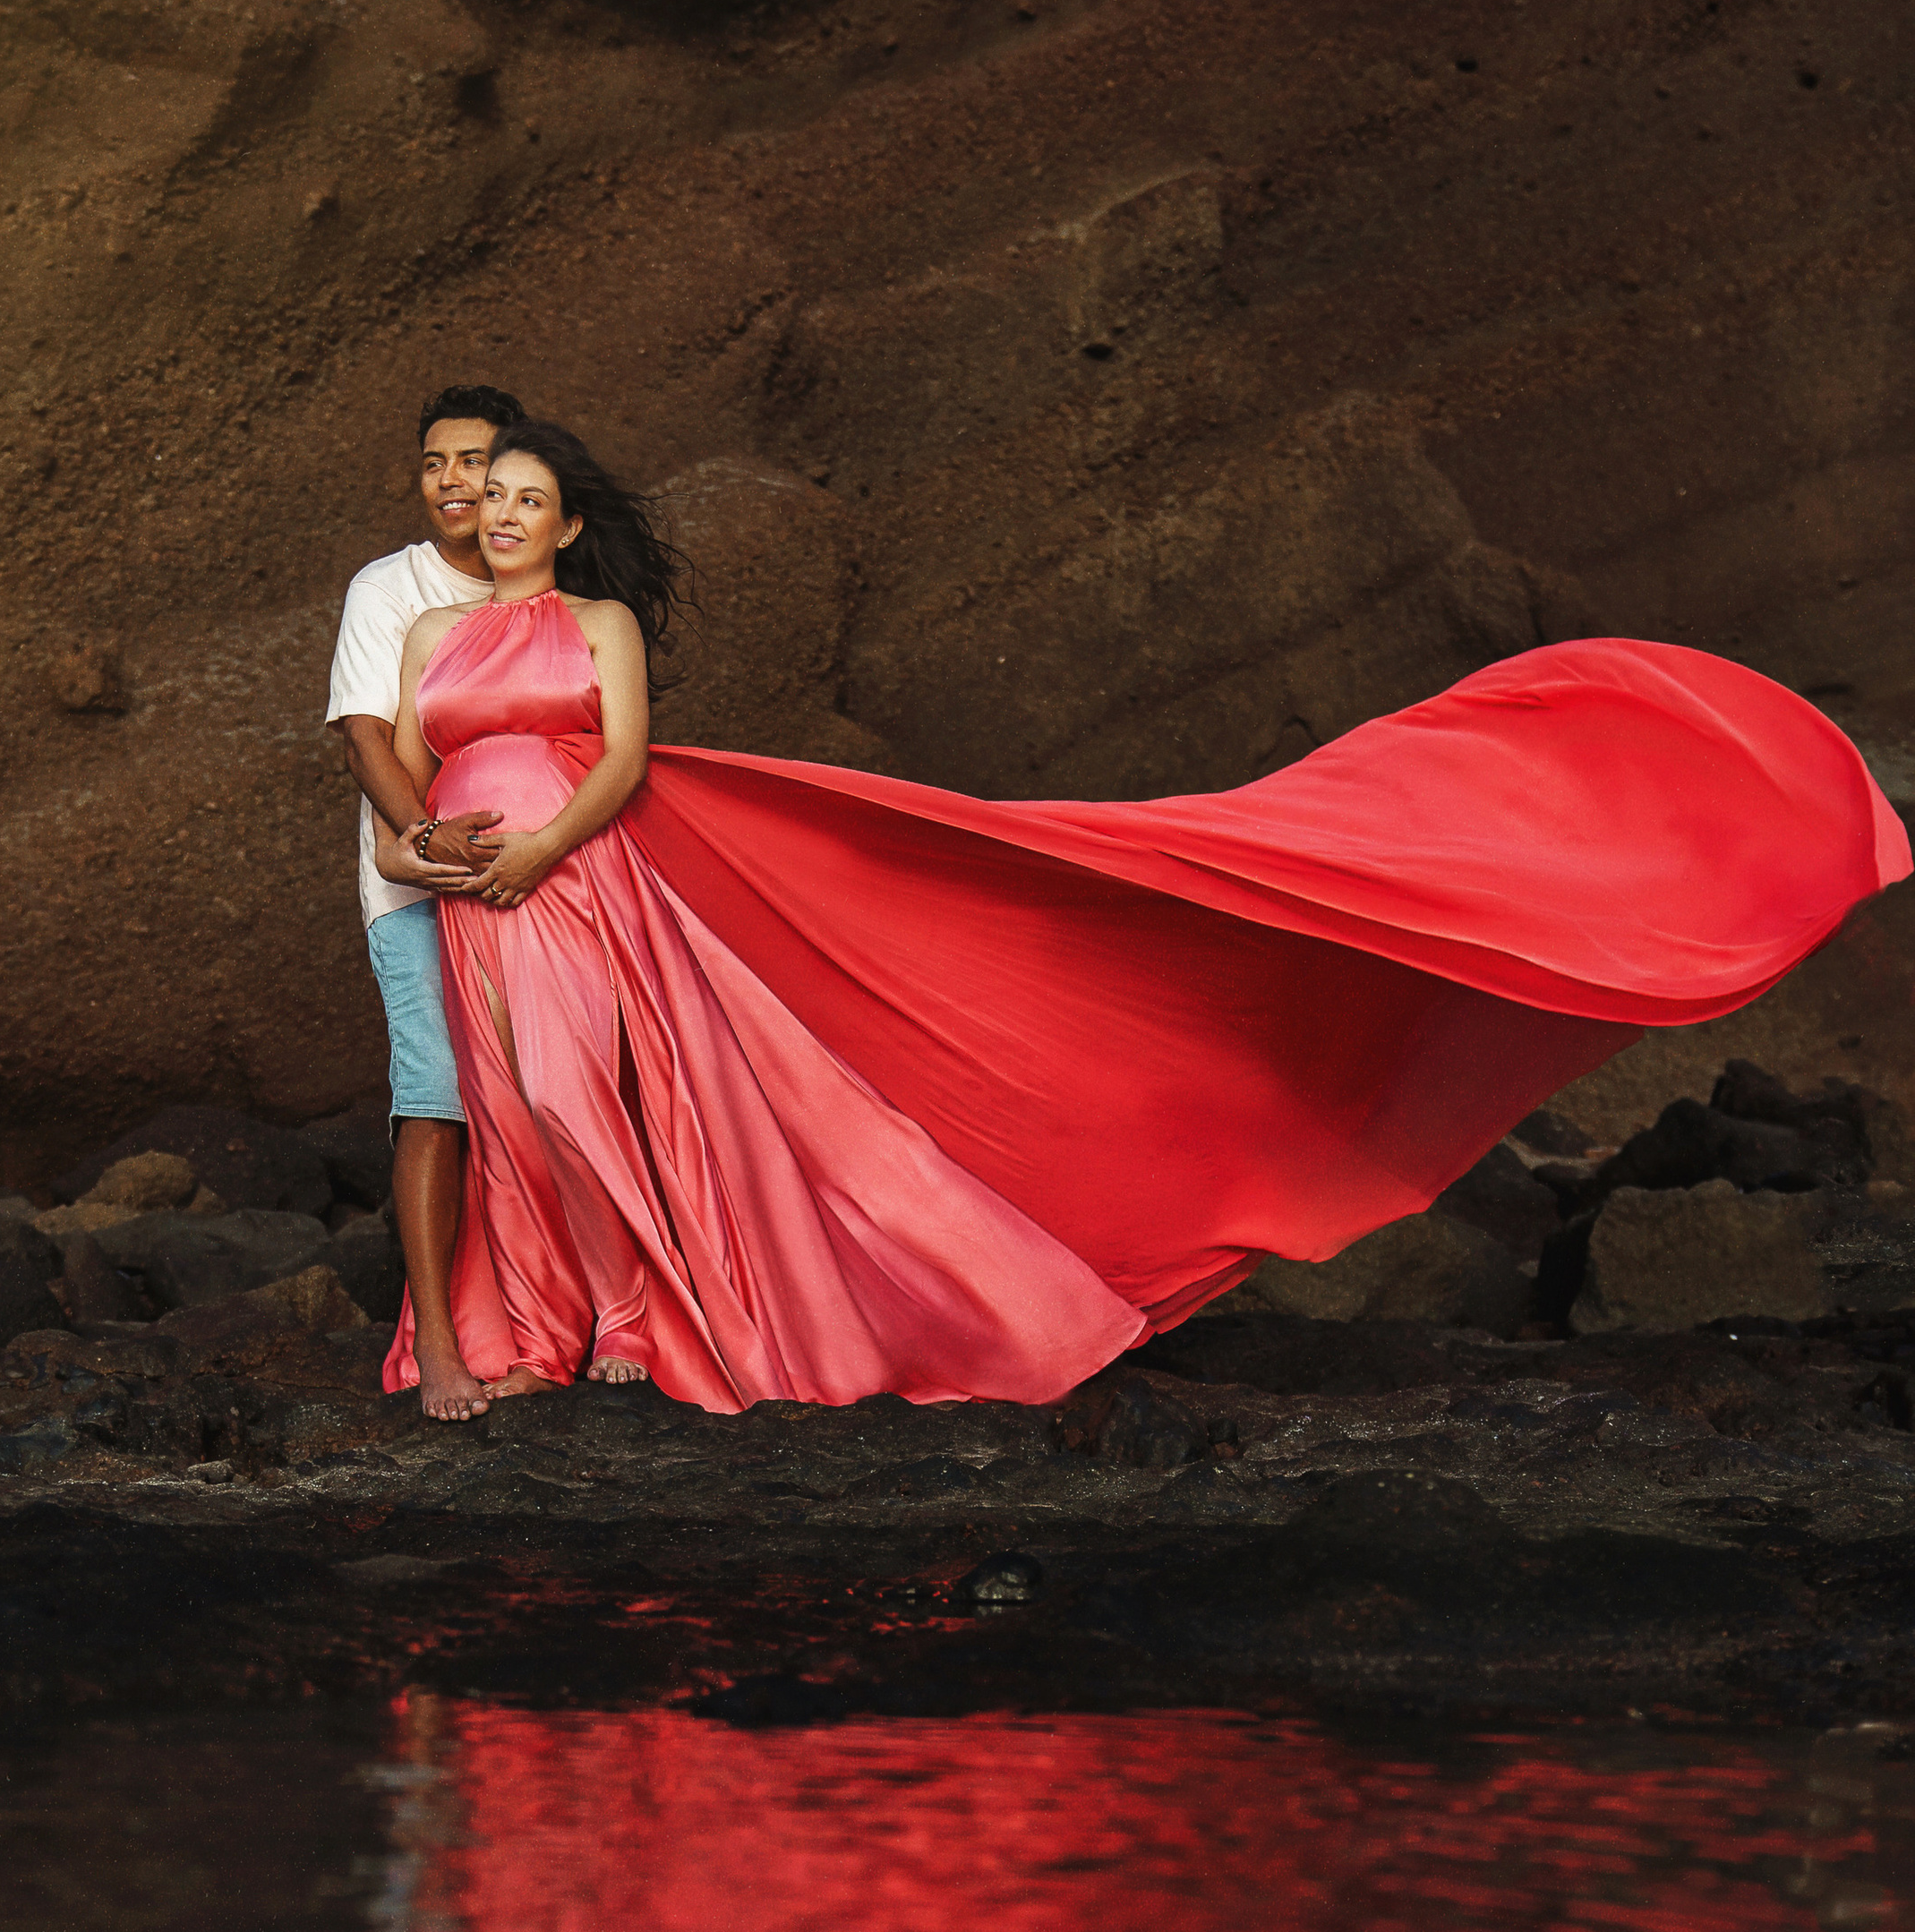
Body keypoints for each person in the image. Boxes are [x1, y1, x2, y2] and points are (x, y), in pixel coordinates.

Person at [379, 419, 1911, 1415]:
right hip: (473, 886)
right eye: (487, 499)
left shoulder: (600, 623)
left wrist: (539, 850)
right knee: (511, 1108)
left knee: (580, 1100)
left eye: (529, 499)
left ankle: (643, 1325)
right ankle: (536, 1336)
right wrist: (434, 853)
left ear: (571, 524)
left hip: (580, 873)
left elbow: (630, 757)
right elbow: (408, 753)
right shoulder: (434, 626)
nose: (503, 516)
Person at [324, 381, 525, 1420]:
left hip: (536, 884)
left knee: (551, 1099)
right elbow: (363, 734)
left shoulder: (537, 580)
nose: (454, 481)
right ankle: (440, 1345)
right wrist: (420, 837)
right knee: (438, 1095)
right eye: (436, 463)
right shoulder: (386, 590)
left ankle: (546, 1326)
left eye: (475, 463)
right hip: (416, 889)